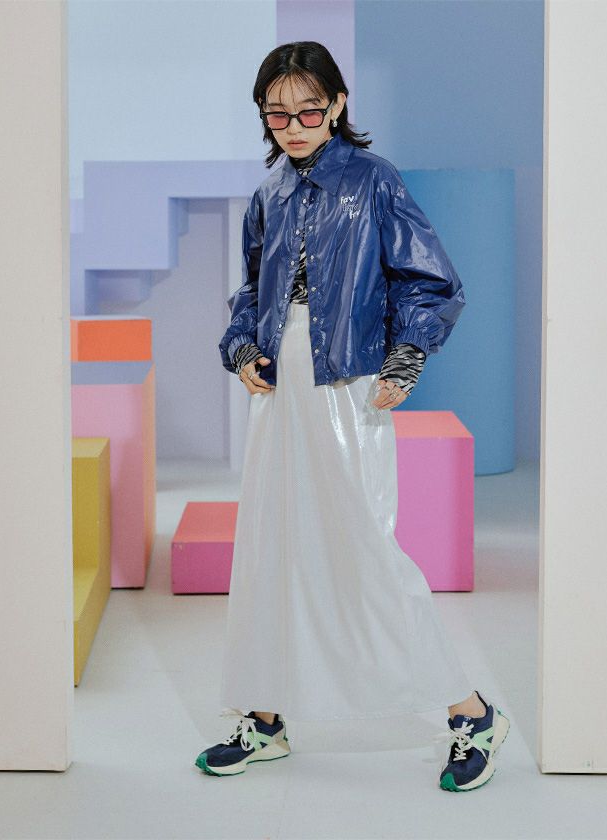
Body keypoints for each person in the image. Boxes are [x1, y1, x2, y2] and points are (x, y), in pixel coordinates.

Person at [196, 41, 510, 793]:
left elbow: (431, 281)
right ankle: (265, 718)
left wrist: (406, 360)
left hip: (349, 380)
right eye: (277, 114)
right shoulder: (269, 193)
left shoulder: (373, 180)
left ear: (337, 105)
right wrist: (241, 346)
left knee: (363, 548)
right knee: (270, 542)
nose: (294, 126)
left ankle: (471, 713)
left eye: (309, 110)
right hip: (279, 387)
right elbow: (250, 290)